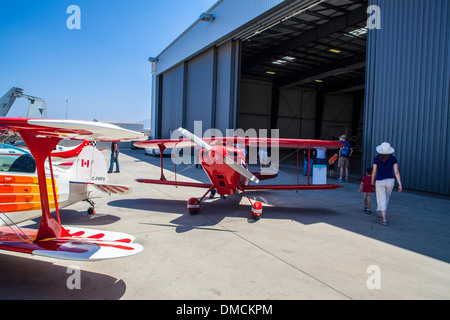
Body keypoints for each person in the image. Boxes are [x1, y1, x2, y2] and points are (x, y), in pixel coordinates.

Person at [371, 142, 403, 226]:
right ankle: (382, 214)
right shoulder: (393, 159)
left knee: (381, 198)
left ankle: (384, 218)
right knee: (386, 197)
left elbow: (374, 171)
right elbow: (396, 172)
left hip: (380, 180)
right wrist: (400, 184)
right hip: (390, 180)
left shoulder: (376, 158)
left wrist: (372, 180)